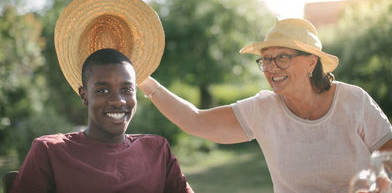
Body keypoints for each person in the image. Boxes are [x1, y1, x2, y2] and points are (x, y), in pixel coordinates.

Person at [139, 17, 392, 193]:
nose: (271, 68)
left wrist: (380, 182)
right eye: (266, 60)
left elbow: (389, 158)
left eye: (282, 58)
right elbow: (195, 121)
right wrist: (142, 78)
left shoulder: (353, 101)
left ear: (311, 62)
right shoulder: (262, 110)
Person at [11, 48, 194, 193]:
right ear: (84, 96)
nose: (118, 100)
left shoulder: (157, 150)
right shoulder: (50, 151)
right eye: (103, 90)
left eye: (127, 89)